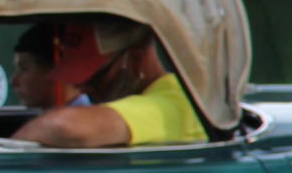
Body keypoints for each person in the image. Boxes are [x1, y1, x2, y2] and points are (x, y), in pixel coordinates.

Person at [11, 18, 206, 148]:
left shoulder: (176, 103)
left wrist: (13, 149)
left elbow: (63, 127)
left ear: (135, 58)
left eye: (95, 77)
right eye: (78, 79)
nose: (82, 89)